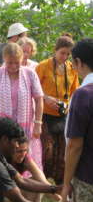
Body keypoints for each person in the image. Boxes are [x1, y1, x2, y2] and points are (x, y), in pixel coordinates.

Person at [0, 43, 44, 176]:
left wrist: (38, 124)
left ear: (22, 59)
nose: (13, 66)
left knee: (25, 161)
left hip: (25, 127)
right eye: (9, 62)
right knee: (3, 160)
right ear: (4, 59)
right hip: (4, 128)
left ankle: (28, 187)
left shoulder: (30, 74)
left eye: (17, 62)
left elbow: (39, 99)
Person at [35, 34, 79, 185]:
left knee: (62, 153)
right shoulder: (43, 66)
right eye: (62, 53)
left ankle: (60, 185)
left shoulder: (71, 68)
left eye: (68, 54)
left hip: (64, 115)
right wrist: (46, 98)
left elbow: (75, 91)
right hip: (45, 114)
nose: (65, 57)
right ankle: (43, 182)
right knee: (47, 151)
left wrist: (68, 105)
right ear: (55, 50)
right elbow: (32, 88)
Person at [61, 38, 93, 202]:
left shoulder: (83, 95)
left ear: (78, 62)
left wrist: (66, 184)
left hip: (87, 178)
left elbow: (74, 145)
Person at [7, 137, 61, 202]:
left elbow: (43, 182)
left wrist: (61, 199)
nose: (23, 154)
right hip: (5, 189)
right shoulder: (4, 159)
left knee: (36, 182)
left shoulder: (26, 159)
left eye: (25, 150)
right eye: (19, 151)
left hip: (17, 185)